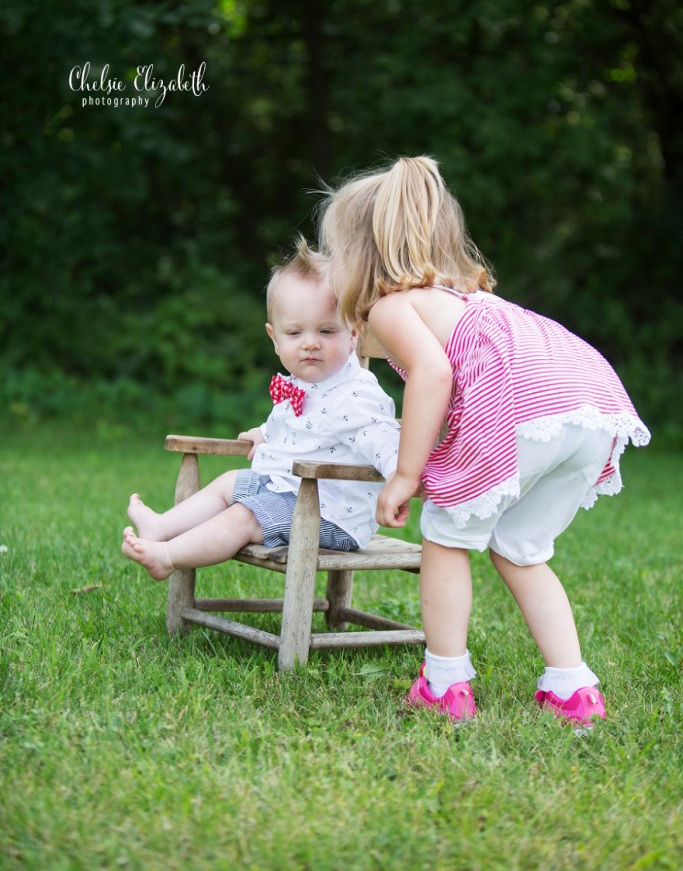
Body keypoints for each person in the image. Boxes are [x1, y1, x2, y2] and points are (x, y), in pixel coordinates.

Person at [320, 155, 650, 726]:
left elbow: (435, 378)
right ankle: (573, 689)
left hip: (526, 410)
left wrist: (405, 473)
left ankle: (445, 681)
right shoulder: (461, 299)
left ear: (364, 256)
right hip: (588, 405)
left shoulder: (394, 305)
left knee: (445, 536)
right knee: (521, 549)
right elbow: (463, 386)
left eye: (336, 256)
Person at [122, 237, 400, 580]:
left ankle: (167, 556)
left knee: (244, 515)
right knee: (228, 483)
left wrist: (402, 477)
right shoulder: (300, 382)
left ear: (354, 334)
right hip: (287, 488)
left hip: (332, 515)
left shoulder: (357, 395)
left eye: (327, 330)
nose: (310, 343)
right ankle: (161, 526)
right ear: (274, 338)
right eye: (295, 332)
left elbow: (385, 440)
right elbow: (302, 426)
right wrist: (266, 435)